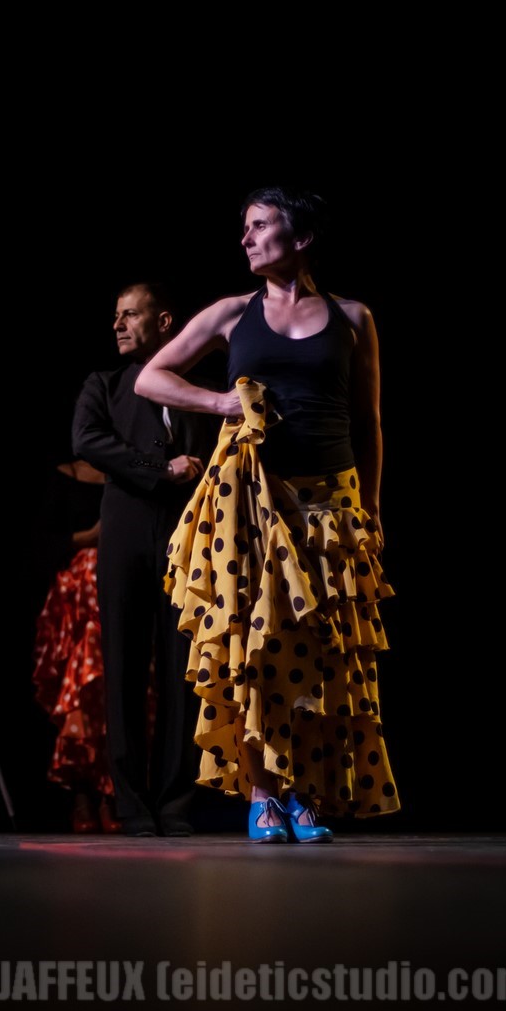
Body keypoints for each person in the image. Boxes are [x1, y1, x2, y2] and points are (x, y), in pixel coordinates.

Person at [135, 186, 400, 843]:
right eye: (244, 228)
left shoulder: (353, 316)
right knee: (258, 648)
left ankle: (304, 793)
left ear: (300, 237)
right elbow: (151, 377)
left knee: (319, 652)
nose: (246, 238)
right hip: (253, 502)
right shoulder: (232, 313)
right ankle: (262, 794)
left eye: (259, 226)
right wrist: (220, 403)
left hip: (329, 503)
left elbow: (368, 422)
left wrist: (370, 507)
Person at [71, 282, 219, 837]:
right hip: (127, 534)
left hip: (188, 537)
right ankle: (132, 804)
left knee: (184, 668)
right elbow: (86, 440)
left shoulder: (200, 390)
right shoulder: (104, 384)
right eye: (116, 316)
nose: (117, 324)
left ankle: (176, 803)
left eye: (130, 314)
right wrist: (160, 469)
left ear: (164, 322)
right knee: (124, 666)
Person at [31, 457, 122, 833]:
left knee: (118, 693)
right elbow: (40, 543)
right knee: (82, 691)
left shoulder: (121, 475)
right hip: (79, 602)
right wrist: (90, 537)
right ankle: (83, 795)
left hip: (116, 589)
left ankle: (112, 794)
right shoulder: (63, 478)